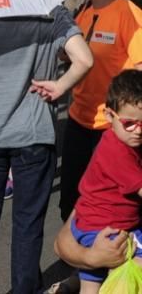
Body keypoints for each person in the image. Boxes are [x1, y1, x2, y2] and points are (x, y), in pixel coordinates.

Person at [0, 7, 92, 294]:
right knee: (28, 223)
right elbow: (84, 59)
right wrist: (59, 86)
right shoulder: (51, 14)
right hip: (33, 133)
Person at [58, 0, 142, 220]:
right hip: (78, 121)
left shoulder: (130, 14)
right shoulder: (81, 12)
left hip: (110, 129)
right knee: (69, 204)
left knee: (110, 210)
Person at [66, 70, 142, 293]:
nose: (138, 131)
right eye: (129, 123)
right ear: (109, 115)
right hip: (105, 228)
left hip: (89, 223)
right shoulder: (116, 150)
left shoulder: (125, 140)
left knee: (89, 286)